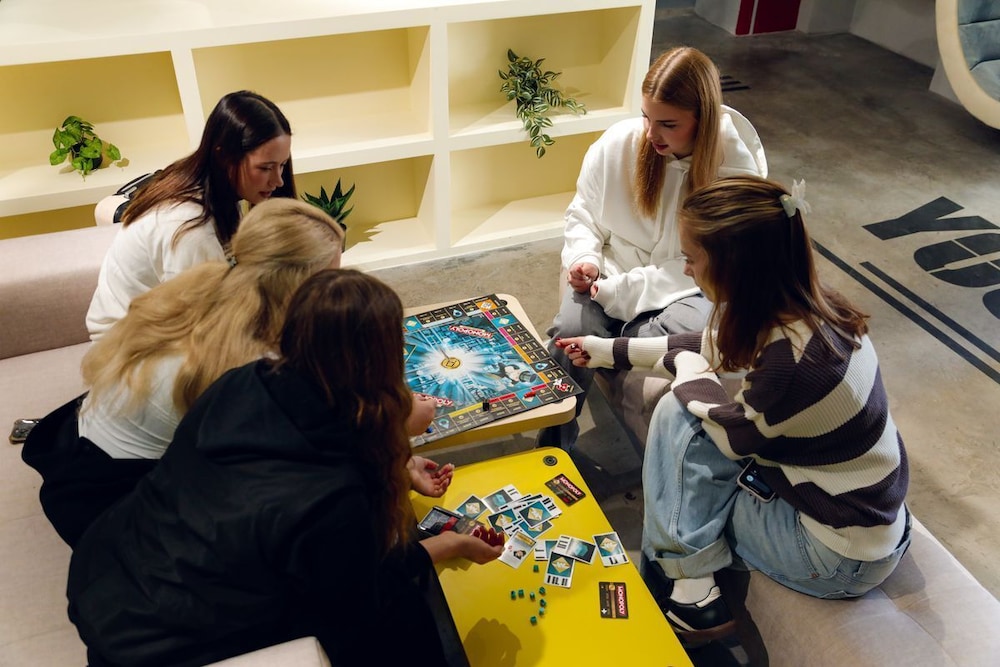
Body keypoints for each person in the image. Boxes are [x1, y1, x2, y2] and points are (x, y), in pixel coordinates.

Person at [66, 269, 504, 667]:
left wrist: (394, 450)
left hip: (106, 571)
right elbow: (359, 608)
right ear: (384, 362)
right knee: (405, 628)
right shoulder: (336, 494)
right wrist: (444, 544)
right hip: (161, 641)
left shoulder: (243, 379)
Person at [556, 176, 910, 646]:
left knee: (678, 431)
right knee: (685, 457)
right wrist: (607, 351)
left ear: (733, 267)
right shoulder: (803, 309)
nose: (685, 270)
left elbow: (730, 435)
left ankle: (691, 598)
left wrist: (686, 372)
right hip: (860, 512)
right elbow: (709, 346)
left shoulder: (793, 363)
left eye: (691, 258)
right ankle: (689, 586)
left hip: (840, 558)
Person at [22, 198, 344, 547]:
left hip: (76, 454)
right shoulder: (253, 360)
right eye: (330, 278)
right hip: (116, 504)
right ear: (296, 285)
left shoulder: (206, 283)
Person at [538, 46, 768, 450]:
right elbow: (583, 213)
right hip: (609, 273)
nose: (650, 134)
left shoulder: (735, 174)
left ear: (703, 120)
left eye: (668, 124)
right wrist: (585, 259)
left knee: (690, 325)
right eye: (646, 116)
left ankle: (621, 347)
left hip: (686, 287)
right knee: (571, 329)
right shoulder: (618, 144)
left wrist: (618, 294)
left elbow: (703, 267)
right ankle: (554, 443)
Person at [86, 90, 296, 340]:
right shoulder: (190, 228)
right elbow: (201, 327)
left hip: (162, 327)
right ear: (224, 156)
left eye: (282, 165)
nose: (278, 180)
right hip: (128, 344)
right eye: (265, 168)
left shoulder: (217, 190)